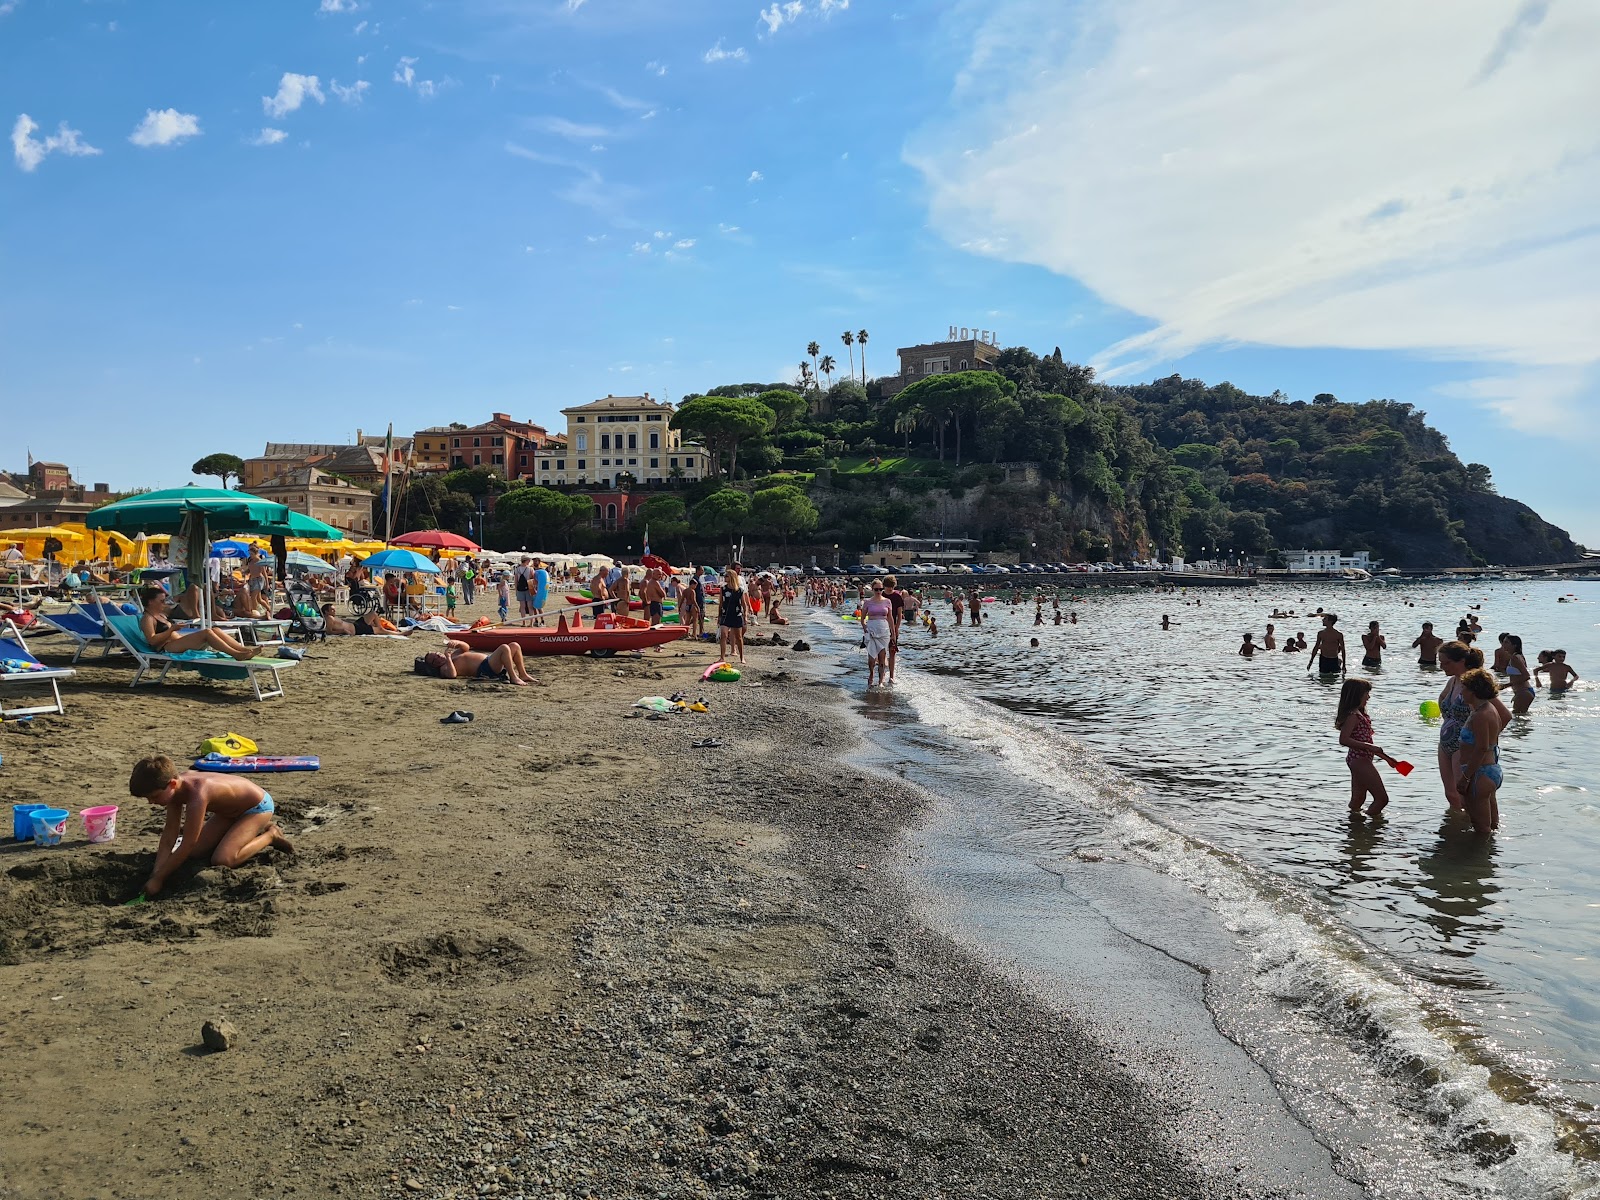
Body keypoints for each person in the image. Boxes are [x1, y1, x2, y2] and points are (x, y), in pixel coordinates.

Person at [129, 755, 293, 898]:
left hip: (256, 807)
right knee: (196, 852)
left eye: (154, 796)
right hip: (228, 813)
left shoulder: (198, 794)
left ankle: (270, 835)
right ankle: (239, 829)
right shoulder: (174, 790)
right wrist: (156, 873)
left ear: (172, 784)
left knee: (223, 859)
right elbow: (169, 836)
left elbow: (188, 842)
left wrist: (159, 879)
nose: (151, 802)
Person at [137, 587, 256, 660]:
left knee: (216, 630)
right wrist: (171, 629)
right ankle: (236, 654)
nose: (164, 603)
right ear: (151, 602)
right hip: (167, 647)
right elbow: (152, 640)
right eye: (161, 601)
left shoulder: (161, 614)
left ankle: (244, 650)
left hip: (177, 642)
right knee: (207, 633)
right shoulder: (148, 618)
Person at [1336, 678, 1397, 816]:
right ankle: (1372, 832)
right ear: (1356, 695)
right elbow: (1344, 739)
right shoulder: (1353, 716)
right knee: (1382, 799)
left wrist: (1386, 758)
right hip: (1359, 760)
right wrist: (1370, 747)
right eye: (1366, 694)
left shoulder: (1360, 715)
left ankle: (1354, 825)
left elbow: (1368, 743)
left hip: (1359, 759)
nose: (1368, 697)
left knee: (1358, 799)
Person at [1455, 668, 1504, 834]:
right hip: (1489, 770)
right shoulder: (1489, 708)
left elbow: (1482, 747)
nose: (1461, 691)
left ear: (1473, 691)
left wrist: (1465, 777)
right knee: (1492, 825)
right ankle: (1491, 855)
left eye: (1464, 688)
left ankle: (1478, 858)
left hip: (1479, 774)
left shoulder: (1481, 715)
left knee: (1481, 828)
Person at [424, 639, 540, 686]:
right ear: (434, 665)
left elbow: (466, 647)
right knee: (504, 647)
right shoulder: (444, 667)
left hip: (488, 660)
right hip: (485, 669)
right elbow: (452, 675)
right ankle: (513, 677)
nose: (438, 656)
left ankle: (523, 674)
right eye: (435, 659)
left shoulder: (452, 654)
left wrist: (457, 643)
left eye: (437, 654)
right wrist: (448, 659)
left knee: (514, 645)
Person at [861, 579, 894, 687]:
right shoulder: (867, 602)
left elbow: (890, 618)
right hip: (871, 629)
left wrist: (893, 633)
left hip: (884, 630)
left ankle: (880, 681)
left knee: (882, 656)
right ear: (872, 589)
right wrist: (864, 627)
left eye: (880, 589)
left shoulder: (887, 601)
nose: (879, 591)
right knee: (871, 659)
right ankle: (871, 674)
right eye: (876, 589)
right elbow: (862, 619)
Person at [718, 564, 747, 664]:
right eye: (725, 576)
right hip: (725, 614)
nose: (725, 577)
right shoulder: (723, 589)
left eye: (727, 576)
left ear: (732, 577)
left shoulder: (739, 590)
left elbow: (744, 604)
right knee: (723, 635)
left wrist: (745, 616)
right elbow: (721, 603)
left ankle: (742, 657)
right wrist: (719, 616)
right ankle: (722, 657)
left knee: (738, 638)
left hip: (736, 615)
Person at [1500, 634, 1535, 713]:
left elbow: (1526, 676)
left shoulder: (1515, 658)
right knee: (1519, 719)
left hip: (1523, 692)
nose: (1503, 644)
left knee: (1517, 719)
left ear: (1514, 645)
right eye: (1503, 642)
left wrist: (1506, 685)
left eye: (1506, 642)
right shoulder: (1518, 656)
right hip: (1522, 692)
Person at [882, 574, 905, 681]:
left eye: (891, 586)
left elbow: (899, 614)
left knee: (892, 651)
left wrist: (896, 627)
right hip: (881, 627)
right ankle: (882, 673)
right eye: (887, 586)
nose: (889, 588)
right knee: (881, 651)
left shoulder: (897, 597)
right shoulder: (881, 595)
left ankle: (891, 676)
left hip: (893, 626)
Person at [531, 557, 550, 626]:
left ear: (539, 562)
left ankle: (542, 620)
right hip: (533, 590)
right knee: (534, 607)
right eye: (534, 562)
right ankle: (536, 620)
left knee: (539, 607)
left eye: (536, 561)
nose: (534, 563)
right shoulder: (533, 570)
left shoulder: (541, 571)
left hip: (538, 590)